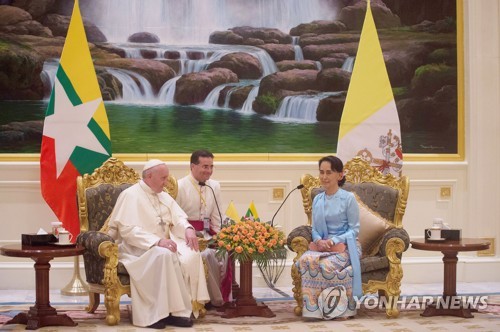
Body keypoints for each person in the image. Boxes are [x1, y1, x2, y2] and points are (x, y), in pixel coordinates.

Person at [107, 159, 210, 329]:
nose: (166, 182)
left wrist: (188, 229)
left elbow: (178, 218)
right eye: (163, 178)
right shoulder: (130, 195)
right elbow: (127, 230)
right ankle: (154, 315)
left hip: (165, 245)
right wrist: (157, 241)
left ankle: (178, 312)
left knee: (190, 253)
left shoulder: (162, 194)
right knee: (164, 255)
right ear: (149, 176)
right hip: (137, 250)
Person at [296, 155, 362, 320]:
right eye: (321, 172)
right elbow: (315, 229)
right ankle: (313, 309)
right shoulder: (318, 199)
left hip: (346, 245)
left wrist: (334, 241)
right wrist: (319, 241)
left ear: (339, 175)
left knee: (325, 265)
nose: (324, 177)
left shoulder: (348, 198)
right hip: (323, 246)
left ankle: (337, 309)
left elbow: (354, 230)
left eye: (329, 172)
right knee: (304, 261)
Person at [176, 150, 231, 307]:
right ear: (193, 166)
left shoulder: (215, 185)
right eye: (205, 166)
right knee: (207, 255)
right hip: (185, 236)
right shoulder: (179, 186)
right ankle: (209, 299)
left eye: (211, 166)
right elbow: (175, 218)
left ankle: (221, 297)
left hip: (207, 234)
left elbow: (217, 216)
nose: (209, 171)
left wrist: (221, 237)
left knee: (223, 253)